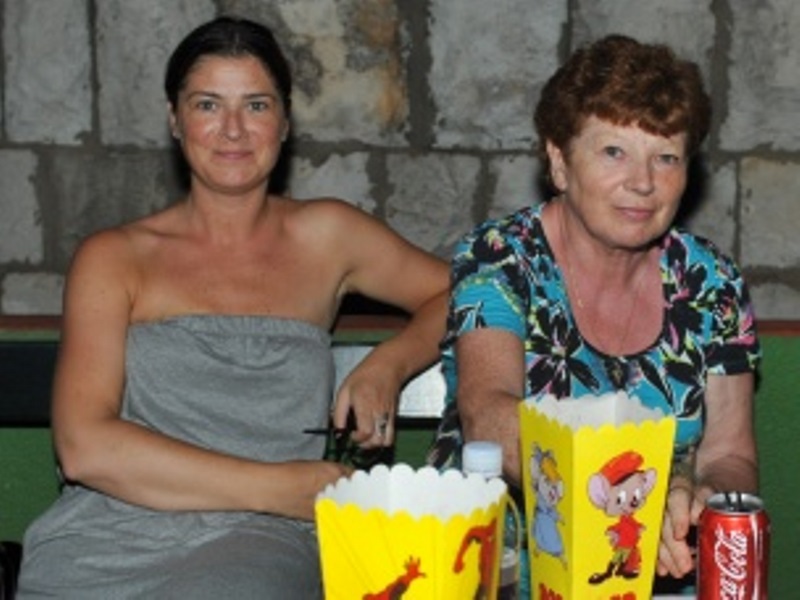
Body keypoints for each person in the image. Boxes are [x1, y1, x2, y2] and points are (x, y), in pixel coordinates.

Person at [17, 16, 448, 599]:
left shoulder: (328, 237)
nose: (233, 130)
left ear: (285, 122)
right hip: (107, 532)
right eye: (207, 105)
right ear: (175, 119)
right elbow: (84, 448)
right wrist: (282, 487)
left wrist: (389, 364)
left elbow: (467, 293)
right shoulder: (115, 258)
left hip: (260, 540)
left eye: (257, 105)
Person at [428, 34, 760, 592]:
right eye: (613, 152)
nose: (643, 182)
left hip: (657, 578)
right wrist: (643, 499)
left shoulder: (712, 282)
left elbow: (730, 455)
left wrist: (702, 502)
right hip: (506, 573)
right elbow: (490, 419)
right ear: (559, 162)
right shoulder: (501, 259)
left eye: (666, 157)